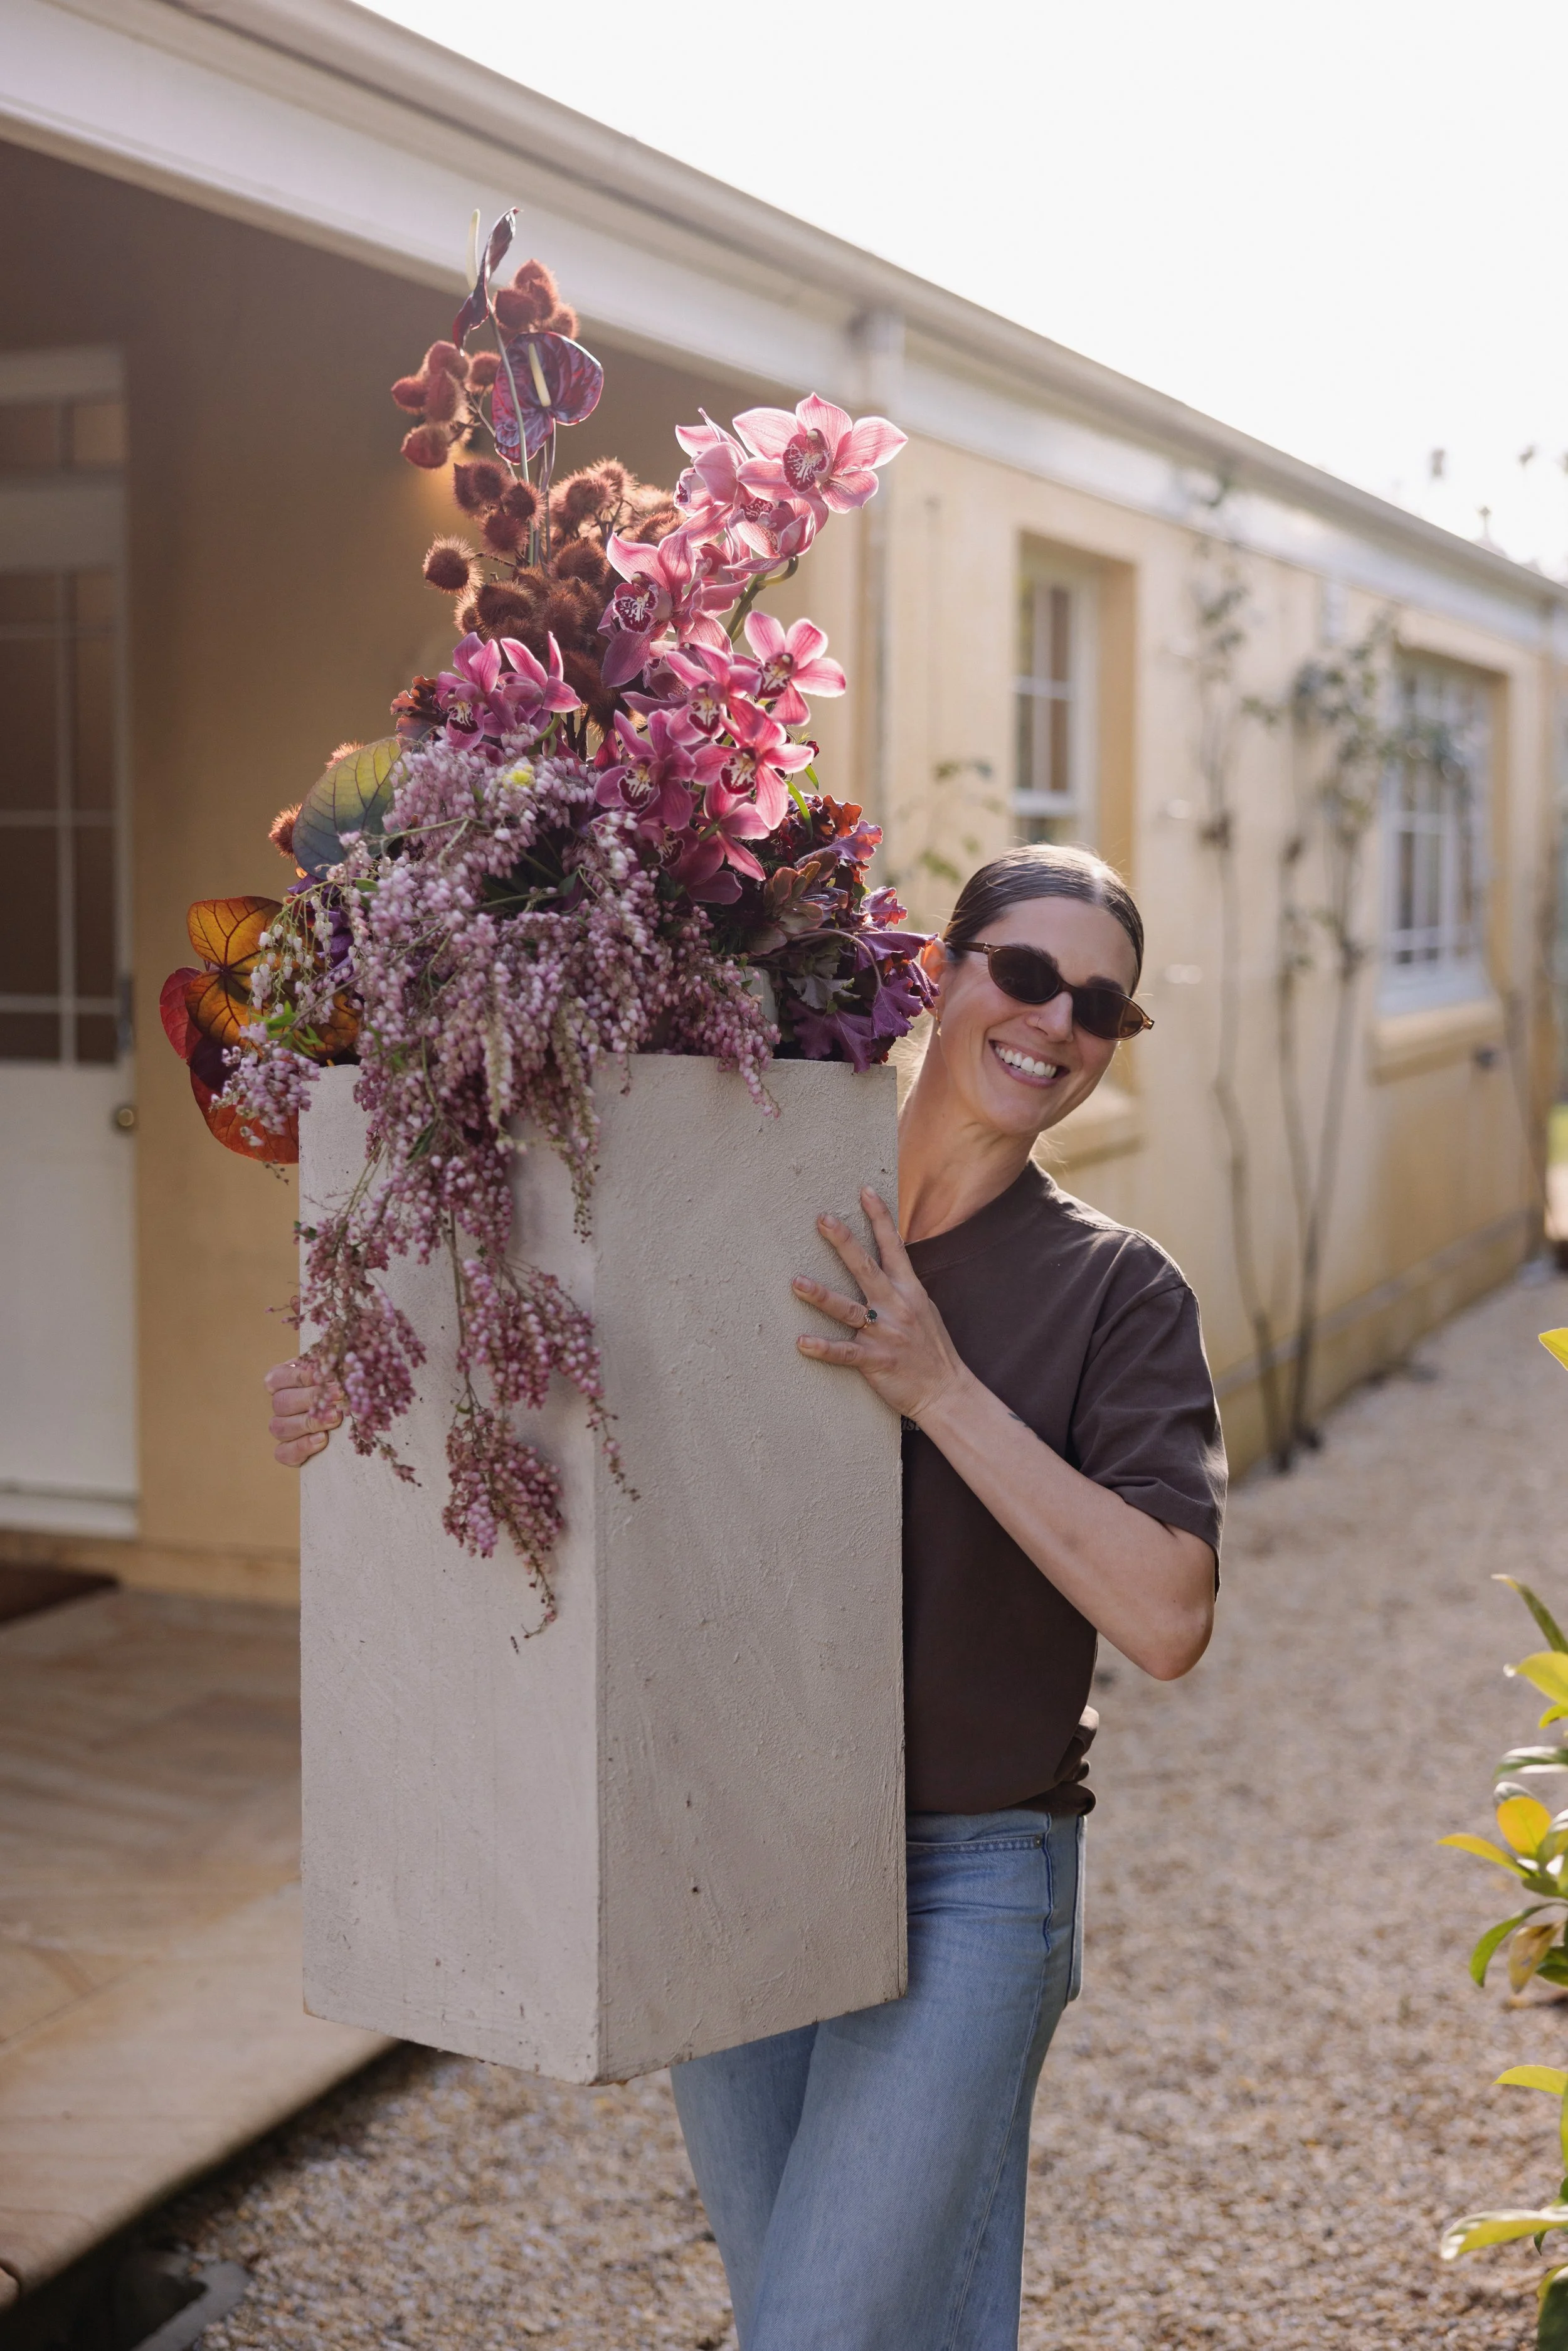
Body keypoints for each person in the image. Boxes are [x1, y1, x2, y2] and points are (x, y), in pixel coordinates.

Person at [265, 842, 1226, 2351]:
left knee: (820, 2328)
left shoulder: (1113, 1289)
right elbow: (572, 1421)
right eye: (1024, 971)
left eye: (1100, 1004)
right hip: (742, 1834)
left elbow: (1168, 1615)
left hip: (969, 1873)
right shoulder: (736, 1193)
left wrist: (938, 1387)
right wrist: (358, 1402)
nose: (1057, 1020)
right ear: (939, 972)